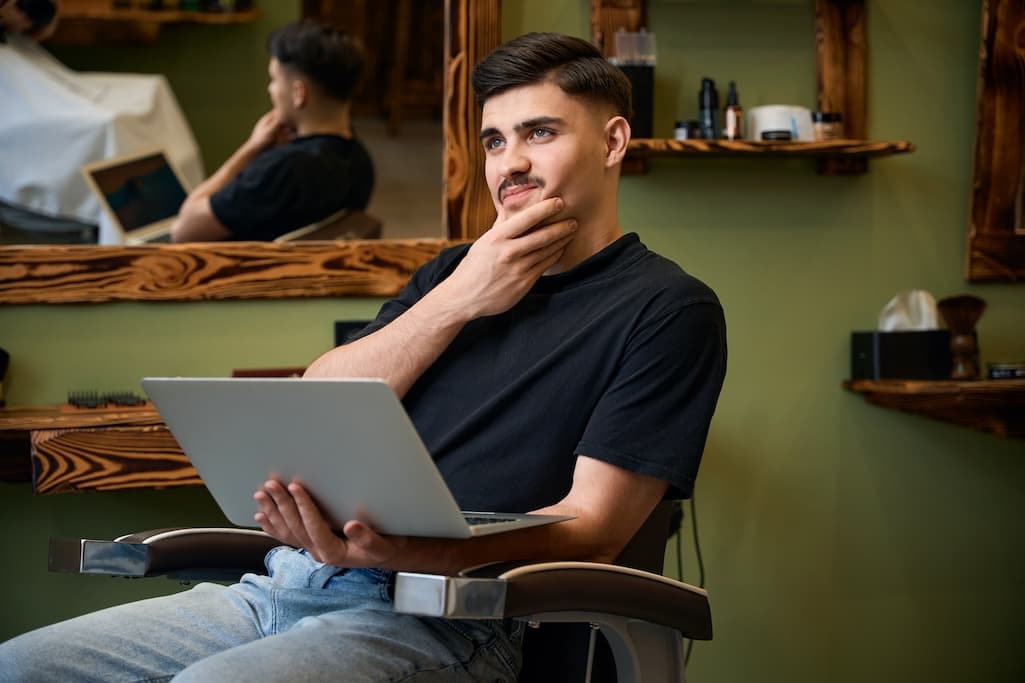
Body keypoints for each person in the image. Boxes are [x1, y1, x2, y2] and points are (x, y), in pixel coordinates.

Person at [0, 32, 727, 681]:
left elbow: (591, 527)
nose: (511, 163)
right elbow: (323, 392)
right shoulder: (451, 274)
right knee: (23, 663)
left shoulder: (667, 310)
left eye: (538, 132)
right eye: (494, 141)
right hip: (282, 588)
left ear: (612, 141)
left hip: (448, 621)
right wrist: (460, 297)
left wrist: (398, 551)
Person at [169, 20, 374, 242]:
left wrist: (249, 149)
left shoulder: (281, 170)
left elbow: (183, 230)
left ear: (298, 93)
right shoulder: (361, 161)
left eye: (274, 79)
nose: (271, 90)